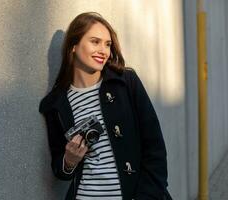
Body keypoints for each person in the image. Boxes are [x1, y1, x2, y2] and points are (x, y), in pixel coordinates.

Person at [39, 12, 172, 200]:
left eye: (107, 44)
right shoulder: (56, 104)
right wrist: (69, 161)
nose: (103, 50)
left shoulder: (126, 83)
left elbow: (155, 148)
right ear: (74, 46)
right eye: (95, 41)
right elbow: (60, 170)